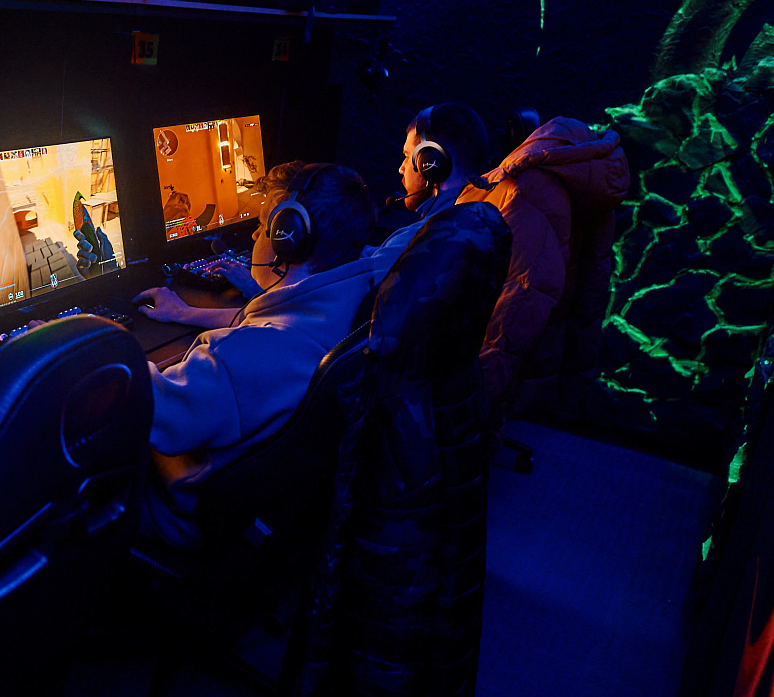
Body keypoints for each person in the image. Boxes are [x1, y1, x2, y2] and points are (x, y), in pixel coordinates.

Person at [133, 162, 401, 547]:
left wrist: (88, 343)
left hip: (192, 521)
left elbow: (146, 407)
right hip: (283, 516)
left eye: (263, 226)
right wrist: (185, 312)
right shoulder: (363, 295)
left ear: (289, 239)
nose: (256, 235)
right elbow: (285, 315)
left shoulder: (240, 356)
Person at [455, 115, 629, 415]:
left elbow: (519, 299)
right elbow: (589, 291)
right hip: (547, 353)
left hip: (506, 375)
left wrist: (472, 405)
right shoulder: (590, 179)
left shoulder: (531, 188)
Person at [368, 102, 491, 257]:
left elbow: (368, 269)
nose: (401, 169)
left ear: (431, 162)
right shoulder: (477, 222)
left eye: (407, 156)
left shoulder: (423, 238)